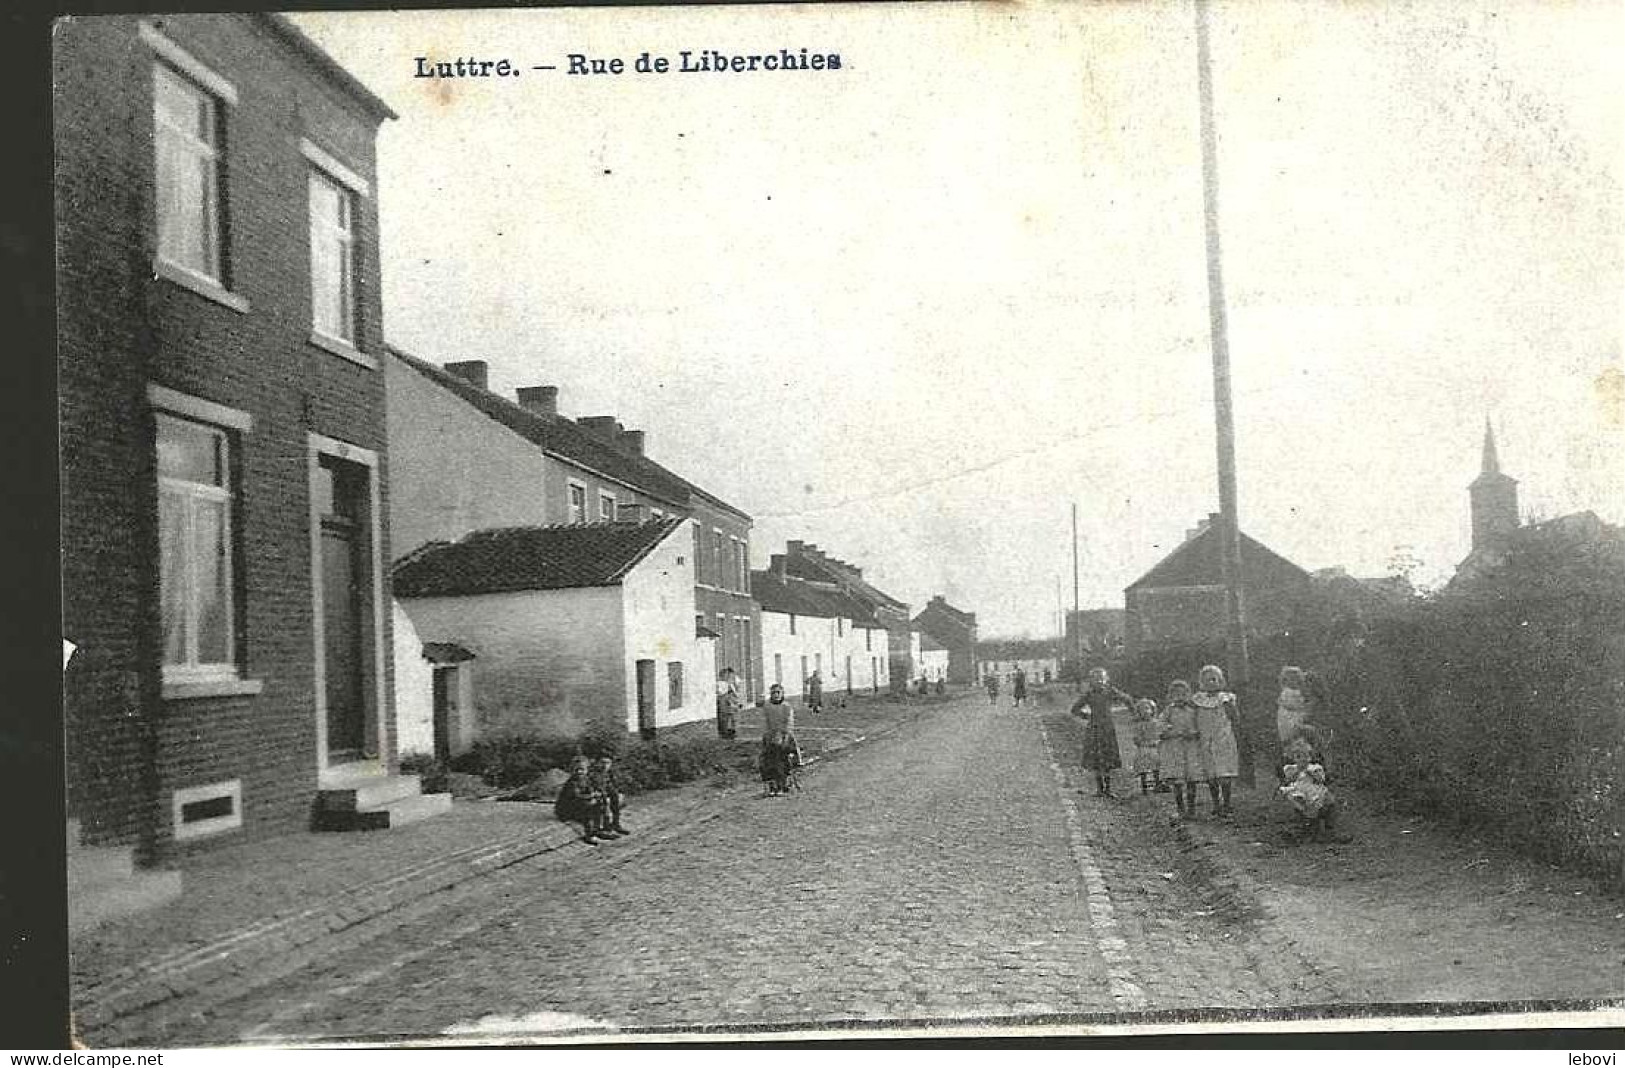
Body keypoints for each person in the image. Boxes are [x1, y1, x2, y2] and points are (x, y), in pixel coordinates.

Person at [1071, 667, 1129, 796]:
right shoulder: (1089, 695)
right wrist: (1087, 716)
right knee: (1096, 759)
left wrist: (1134, 711)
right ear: (1091, 681)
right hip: (1094, 729)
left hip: (1107, 729)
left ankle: (1108, 789)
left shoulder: (1110, 692)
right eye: (1096, 679)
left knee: (1108, 758)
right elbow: (1074, 709)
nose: (1099, 681)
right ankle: (1099, 789)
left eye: (1101, 678)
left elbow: (1126, 699)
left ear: (1106, 680)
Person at [1194, 664, 1242, 817]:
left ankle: (1227, 803)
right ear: (1202, 682)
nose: (1211, 683)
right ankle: (1216, 803)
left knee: (1224, 772)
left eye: (1214, 679)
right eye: (1207, 680)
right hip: (1206, 740)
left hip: (1223, 739)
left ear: (1220, 681)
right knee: (1211, 774)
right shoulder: (1198, 700)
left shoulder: (1225, 699)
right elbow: (1194, 717)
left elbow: (1235, 717)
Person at [1278, 734, 1344, 841]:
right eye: (1298, 757)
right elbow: (1289, 780)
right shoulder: (1291, 769)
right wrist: (1299, 770)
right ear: (1293, 758)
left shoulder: (1314, 768)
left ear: (1309, 757)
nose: (1302, 759)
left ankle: (1327, 831)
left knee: (1326, 801)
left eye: (1305, 756)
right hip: (1300, 790)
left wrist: (1311, 773)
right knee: (1299, 801)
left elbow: (1321, 780)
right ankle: (1306, 829)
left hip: (1314, 791)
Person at [1159, 680, 1203, 817]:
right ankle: (1180, 808)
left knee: (1191, 778)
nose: (1180, 697)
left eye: (1183, 694)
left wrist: (1194, 733)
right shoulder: (1168, 711)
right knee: (1177, 780)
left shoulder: (1193, 711)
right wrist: (1169, 732)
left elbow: (1200, 726)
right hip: (1175, 748)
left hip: (1190, 748)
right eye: (1176, 694)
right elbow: (1160, 726)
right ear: (1170, 696)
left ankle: (1191, 807)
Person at [554, 756, 612, 844]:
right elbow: (577, 796)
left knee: (600, 805)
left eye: (582, 769)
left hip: (578, 805)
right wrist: (591, 796)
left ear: (587, 770)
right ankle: (589, 835)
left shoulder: (586, 779)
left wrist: (598, 795)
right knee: (588, 808)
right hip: (566, 809)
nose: (579, 772)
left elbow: (592, 789)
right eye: (577, 769)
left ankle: (599, 830)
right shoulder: (572, 782)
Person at [759, 683, 800, 796]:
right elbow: (765, 722)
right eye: (773, 693)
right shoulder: (767, 706)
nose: (776, 695)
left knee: (782, 760)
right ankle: (772, 786)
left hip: (784, 738)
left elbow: (789, 723)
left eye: (778, 692)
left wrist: (784, 736)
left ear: (782, 694)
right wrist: (767, 736)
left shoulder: (786, 707)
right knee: (767, 761)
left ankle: (783, 784)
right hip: (770, 737)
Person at [1275, 666, 1309, 781]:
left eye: (1296, 679)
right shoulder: (1288, 693)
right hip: (1289, 720)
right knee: (1293, 744)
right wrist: (1303, 708)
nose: (1294, 682)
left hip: (1294, 718)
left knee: (1296, 746)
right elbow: (1293, 706)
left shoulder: (1296, 692)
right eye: (1291, 679)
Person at [589, 754, 629, 836]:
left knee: (615, 798)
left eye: (607, 763)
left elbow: (612, 784)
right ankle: (605, 828)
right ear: (598, 763)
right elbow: (594, 786)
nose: (605, 765)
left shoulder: (609, 773)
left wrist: (619, 793)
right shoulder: (593, 773)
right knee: (604, 803)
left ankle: (615, 824)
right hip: (593, 794)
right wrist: (602, 795)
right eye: (603, 763)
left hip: (604, 793)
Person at [1130, 698, 1163, 795]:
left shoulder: (1156, 723)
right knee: (1142, 763)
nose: (1145, 712)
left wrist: (1157, 741)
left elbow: (1160, 734)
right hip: (1143, 747)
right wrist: (1142, 742)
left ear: (1152, 710)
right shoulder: (1139, 725)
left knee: (1156, 762)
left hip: (1154, 746)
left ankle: (1158, 783)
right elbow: (1136, 739)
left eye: (1147, 708)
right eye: (1142, 709)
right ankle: (1144, 786)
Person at [716, 667, 741, 740]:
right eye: (728, 675)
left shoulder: (732, 683)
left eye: (730, 675)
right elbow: (720, 693)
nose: (729, 677)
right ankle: (724, 732)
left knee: (733, 717)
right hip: (724, 702)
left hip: (731, 702)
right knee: (724, 717)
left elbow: (736, 692)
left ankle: (732, 731)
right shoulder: (721, 684)